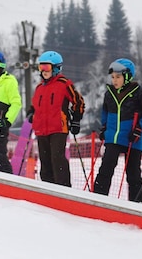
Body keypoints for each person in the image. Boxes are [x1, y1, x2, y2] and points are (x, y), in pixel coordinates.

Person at [94, 58, 142, 203]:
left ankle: (138, 204)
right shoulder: (109, 93)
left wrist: (139, 127)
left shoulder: (138, 92)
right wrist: (104, 127)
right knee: (105, 169)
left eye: (118, 77)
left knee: (133, 174)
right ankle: (97, 199)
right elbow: (105, 112)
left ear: (127, 77)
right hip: (113, 138)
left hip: (132, 139)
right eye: (113, 77)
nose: (114, 81)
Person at [26, 51, 85, 187]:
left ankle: (63, 187)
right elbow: (34, 105)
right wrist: (31, 114)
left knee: (57, 158)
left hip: (58, 128)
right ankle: (48, 188)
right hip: (41, 130)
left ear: (56, 68)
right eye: (41, 68)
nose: (43, 71)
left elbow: (78, 101)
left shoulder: (64, 84)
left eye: (47, 67)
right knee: (45, 161)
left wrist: (76, 119)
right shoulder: (39, 87)